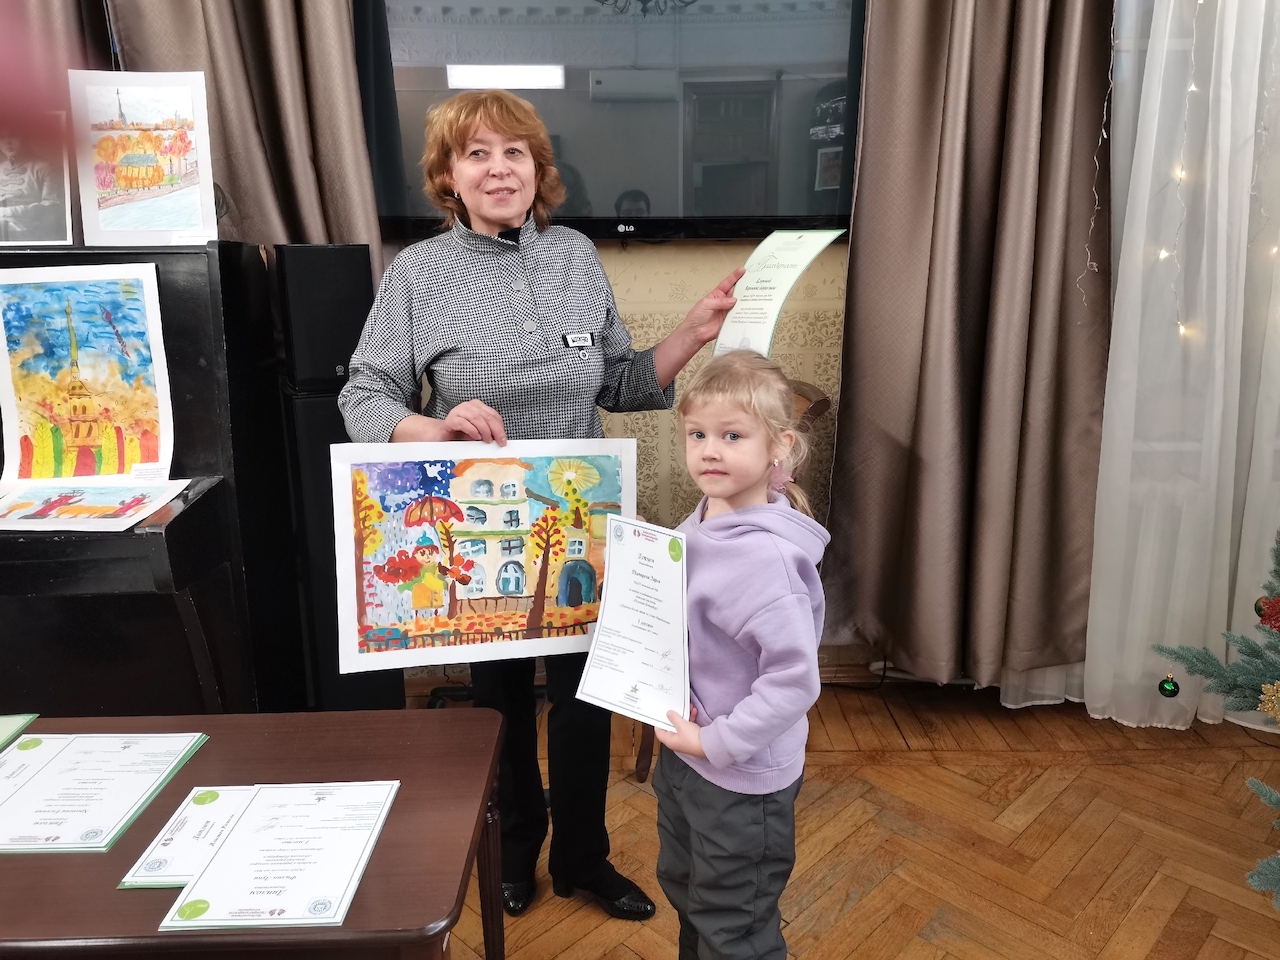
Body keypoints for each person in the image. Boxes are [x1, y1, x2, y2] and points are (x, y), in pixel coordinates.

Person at [337, 89, 745, 922]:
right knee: (499, 702)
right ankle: (515, 848)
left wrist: (694, 332)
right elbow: (363, 393)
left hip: (579, 524)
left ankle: (583, 858)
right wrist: (436, 426)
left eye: (514, 152)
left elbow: (621, 382)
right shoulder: (417, 272)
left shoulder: (574, 258)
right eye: (477, 153)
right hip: (479, 531)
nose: (499, 169)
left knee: (587, 698)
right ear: (449, 176)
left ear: (537, 169)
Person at [653, 350, 829, 960]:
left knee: (734, 926)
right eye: (697, 434)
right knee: (686, 891)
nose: (710, 451)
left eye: (732, 436)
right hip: (686, 752)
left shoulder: (767, 563)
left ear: (779, 446)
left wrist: (716, 742)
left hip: (740, 775)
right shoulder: (702, 520)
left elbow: (793, 682)